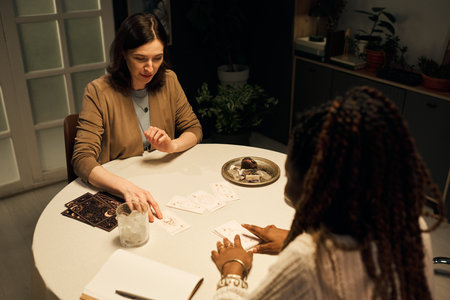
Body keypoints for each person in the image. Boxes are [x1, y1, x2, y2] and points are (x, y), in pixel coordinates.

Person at [211, 86, 445, 300]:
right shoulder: (412, 227)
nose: (285, 187)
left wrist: (233, 269)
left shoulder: (307, 262)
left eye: (290, 176)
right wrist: (298, 236)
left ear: (316, 187)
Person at [72, 13, 202, 221]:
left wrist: (172, 146)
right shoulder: (97, 91)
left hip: (164, 182)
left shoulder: (169, 80)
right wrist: (126, 187)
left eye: (157, 58)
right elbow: (81, 159)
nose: (150, 68)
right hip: (121, 190)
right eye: (140, 58)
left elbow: (194, 129)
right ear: (123, 54)